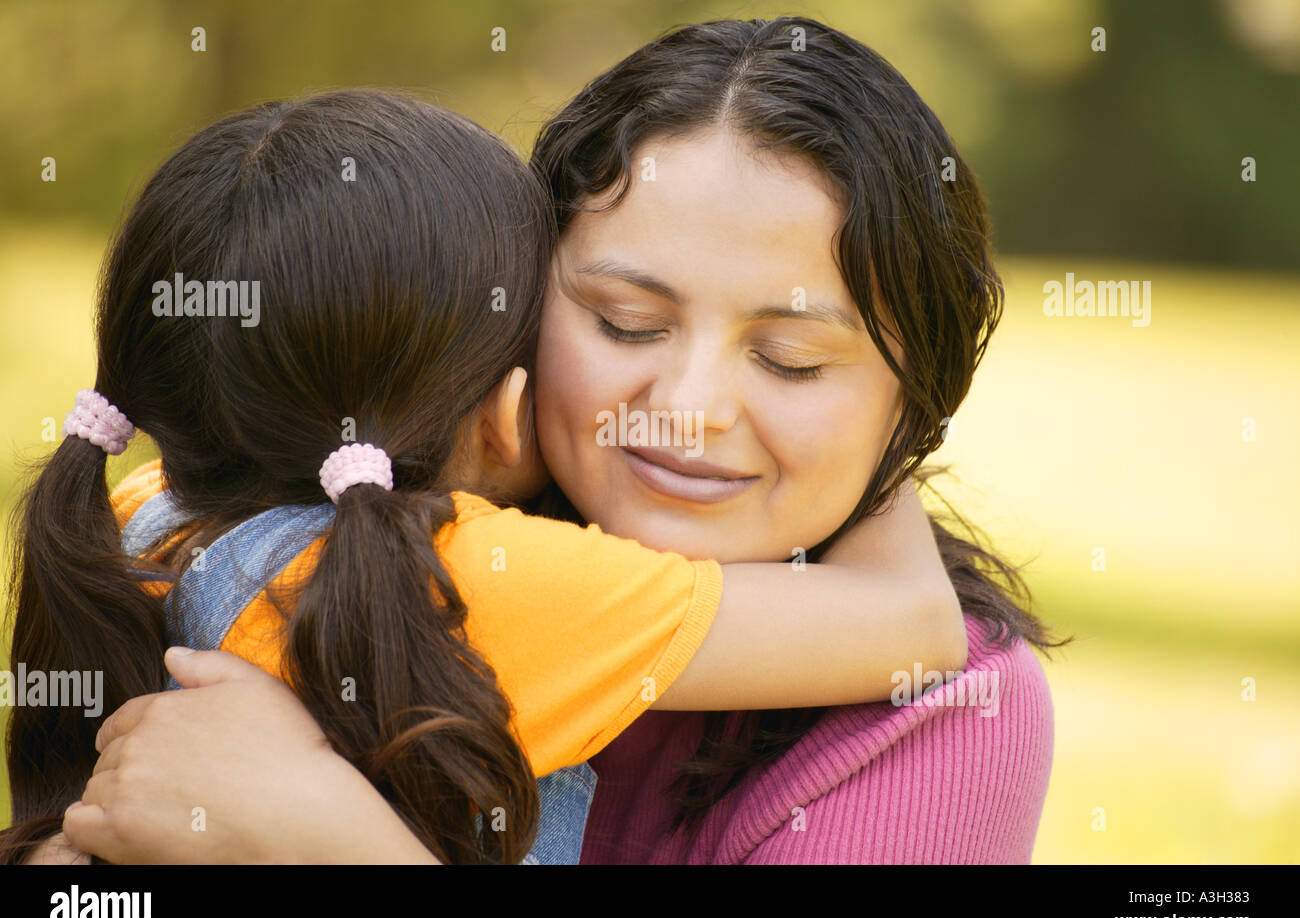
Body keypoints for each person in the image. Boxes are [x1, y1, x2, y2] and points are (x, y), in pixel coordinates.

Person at [61, 17, 1061, 864]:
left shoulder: (940, 707)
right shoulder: (352, 536)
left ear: (918, 398)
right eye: (626, 321)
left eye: (792, 359)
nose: (689, 405)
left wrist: (328, 836)